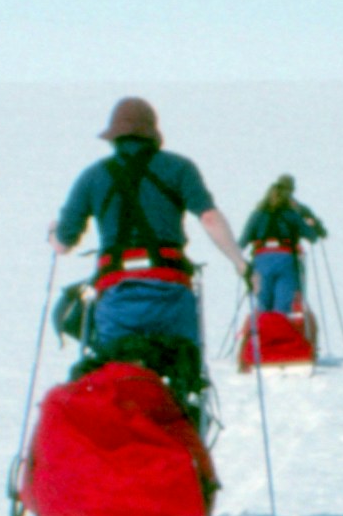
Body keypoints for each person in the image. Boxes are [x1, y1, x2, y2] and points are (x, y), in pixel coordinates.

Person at [52, 97, 244, 423]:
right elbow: (209, 218)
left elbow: (63, 244)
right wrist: (241, 264)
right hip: (171, 295)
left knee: (117, 384)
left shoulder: (92, 177)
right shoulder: (179, 168)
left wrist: (56, 234)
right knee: (182, 378)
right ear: (153, 134)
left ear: (114, 137)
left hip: (117, 297)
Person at [240, 172, 327, 332]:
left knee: (263, 304)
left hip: (261, 260)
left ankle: (262, 342)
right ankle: (281, 340)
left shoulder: (257, 214)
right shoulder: (294, 212)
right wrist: (315, 225)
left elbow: (242, 242)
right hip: (286, 261)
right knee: (283, 304)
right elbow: (313, 236)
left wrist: (241, 265)